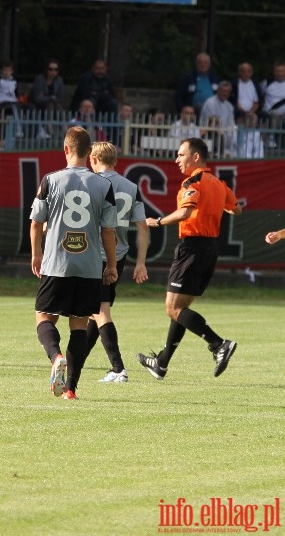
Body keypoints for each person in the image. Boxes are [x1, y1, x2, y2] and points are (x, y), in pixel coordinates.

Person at [138, 137, 242, 380]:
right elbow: (236, 209)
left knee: (173, 308)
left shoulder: (193, 181)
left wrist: (158, 221)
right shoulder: (218, 183)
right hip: (209, 249)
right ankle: (161, 363)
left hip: (192, 248)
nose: (177, 160)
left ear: (196, 157)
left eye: (181, 154)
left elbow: (185, 212)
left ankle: (219, 344)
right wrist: (216, 206)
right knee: (180, 309)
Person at [29, 126, 118, 400]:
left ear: (66, 149)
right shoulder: (104, 185)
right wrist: (111, 265)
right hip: (89, 267)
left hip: (57, 264)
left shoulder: (50, 180)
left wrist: (36, 254)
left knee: (44, 316)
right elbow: (108, 231)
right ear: (90, 152)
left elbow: (36, 223)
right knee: (79, 325)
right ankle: (70, 389)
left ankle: (55, 357)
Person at [72, 142, 149, 387]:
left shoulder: (91, 183)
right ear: (115, 160)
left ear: (93, 159)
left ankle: (118, 368)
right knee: (97, 312)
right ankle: (78, 363)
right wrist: (141, 263)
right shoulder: (130, 186)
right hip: (121, 254)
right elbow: (143, 226)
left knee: (99, 311)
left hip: (96, 254)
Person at [199, 81, 237, 158]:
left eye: (227, 92)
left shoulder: (229, 106)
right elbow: (212, 123)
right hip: (209, 133)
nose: (225, 94)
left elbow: (231, 123)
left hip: (224, 132)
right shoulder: (210, 103)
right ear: (218, 91)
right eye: (223, 91)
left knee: (234, 132)